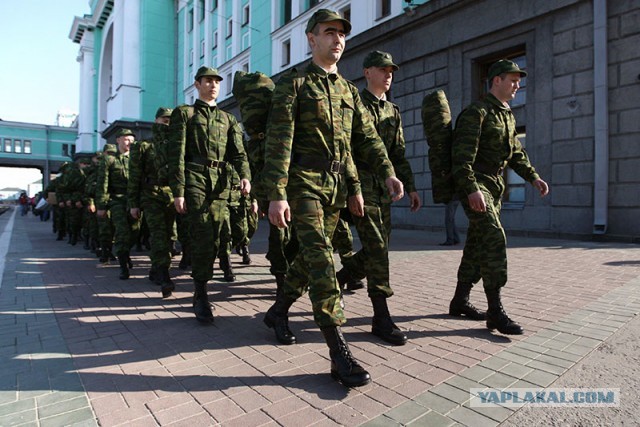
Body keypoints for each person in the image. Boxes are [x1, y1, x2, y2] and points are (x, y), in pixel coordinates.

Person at [261, 9, 404, 388]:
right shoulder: (293, 84)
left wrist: (384, 173)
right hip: (303, 183)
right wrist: (276, 194)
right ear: (311, 39)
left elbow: (364, 141)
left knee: (308, 264)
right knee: (323, 261)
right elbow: (279, 143)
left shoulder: (345, 90)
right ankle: (338, 351)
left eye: (342, 34)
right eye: (329, 33)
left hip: (337, 187)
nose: (337, 40)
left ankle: (278, 311)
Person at [449, 59, 549, 335]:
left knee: (477, 242)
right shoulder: (476, 113)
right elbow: (461, 159)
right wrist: (471, 189)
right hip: (476, 184)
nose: (518, 85)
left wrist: (533, 177)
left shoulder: (506, 115)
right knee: (493, 237)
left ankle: (460, 299)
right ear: (496, 80)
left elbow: (516, 153)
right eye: (513, 80)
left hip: (494, 185)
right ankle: (495, 311)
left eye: (519, 80)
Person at [336, 50, 421, 346]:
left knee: (378, 246)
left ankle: (342, 276)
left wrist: (410, 186)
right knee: (377, 249)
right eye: (382, 70)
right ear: (367, 72)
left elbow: (398, 154)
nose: (388, 75)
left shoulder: (393, 111)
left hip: (385, 188)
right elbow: (345, 150)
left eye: (391, 71)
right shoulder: (355, 104)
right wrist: (352, 188)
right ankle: (380, 316)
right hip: (361, 186)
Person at [167, 66, 251, 324]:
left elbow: (238, 152)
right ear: (197, 84)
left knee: (219, 237)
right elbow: (176, 154)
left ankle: (204, 284)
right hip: (195, 178)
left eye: (216, 81)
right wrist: (178, 191)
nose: (213, 85)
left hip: (221, 183)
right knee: (203, 234)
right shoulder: (185, 114)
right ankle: (201, 293)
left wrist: (245, 175)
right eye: (208, 81)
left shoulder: (228, 120)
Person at [128, 107, 177, 298]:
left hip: (171, 195)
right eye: (164, 120)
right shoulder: (143, 146)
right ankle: (164, 273)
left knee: (171, 236)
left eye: (171, 121)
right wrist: (134, 202)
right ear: (156, 121)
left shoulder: (176, 144)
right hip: (150, 195)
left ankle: (155, 268)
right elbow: (134, 176)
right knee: (158, 235)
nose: (168, 124)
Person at [97, 128, 141, 280]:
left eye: (131, 140)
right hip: (117, 201)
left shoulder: (137, 159)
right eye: (125, 139)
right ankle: (123, 267)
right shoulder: (109, 160)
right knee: (122, 233)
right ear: (118, 140)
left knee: (136, 233)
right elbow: (103, 184)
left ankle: (125, 253)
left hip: (134, 201)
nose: (128, 142)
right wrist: (102, 206)